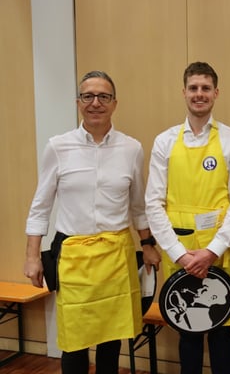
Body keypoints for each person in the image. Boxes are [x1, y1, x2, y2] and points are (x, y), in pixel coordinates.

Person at [23, 71, 162, 374]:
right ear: (78, 102)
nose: (95, 103)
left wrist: (148, 244)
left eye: (103, 96)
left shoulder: (132, 149)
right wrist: (32, 256)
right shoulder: (58, 147)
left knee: (112, 338)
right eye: (88, 96)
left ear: (114, 103)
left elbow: (138, 206)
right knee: (74, 340)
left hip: (116, 256)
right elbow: (40, 206)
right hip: (74, 257)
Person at [145, 61, 230, 374]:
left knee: (221, 330)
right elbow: (153, 203)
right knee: (187, 329)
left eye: (205, 88)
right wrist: (180, 254)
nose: (199, 94)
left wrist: (213, 250)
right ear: (184, 92)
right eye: (193, 88)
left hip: (218, 252)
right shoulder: (164, 141)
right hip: (181, 251)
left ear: (216, 93)